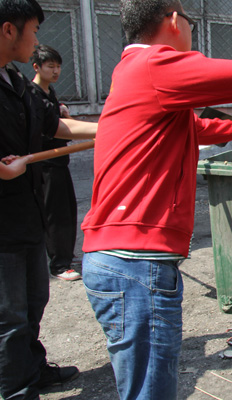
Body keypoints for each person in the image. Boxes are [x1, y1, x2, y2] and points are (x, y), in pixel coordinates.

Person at [80, 0, 232, 398]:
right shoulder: (156, 65)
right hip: (135, 264)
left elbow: (190, 125)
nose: (191, 30)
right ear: (173, 20)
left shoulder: (132, 71)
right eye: (189, 21)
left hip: (121, 260)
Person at [0, 0, 97, 398]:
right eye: (34, 30)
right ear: (9, 30)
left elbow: (54, 125)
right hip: (1, 228)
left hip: (26, 215)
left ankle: (32, 368)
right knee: (9, 317)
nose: (37, 39)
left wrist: (111, 129)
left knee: (34, 302)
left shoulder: (15, 81)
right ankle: (14, 390)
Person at [31, 44, 80, 281]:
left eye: (58, 66)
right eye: (51, 66)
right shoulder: (33, 95)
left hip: (59, 161)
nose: (56, 71)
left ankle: (65, 257)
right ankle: (59, 265)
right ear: (37, 67)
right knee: (55, 214)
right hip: (45, 164)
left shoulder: (49, 93)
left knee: (68, 210)